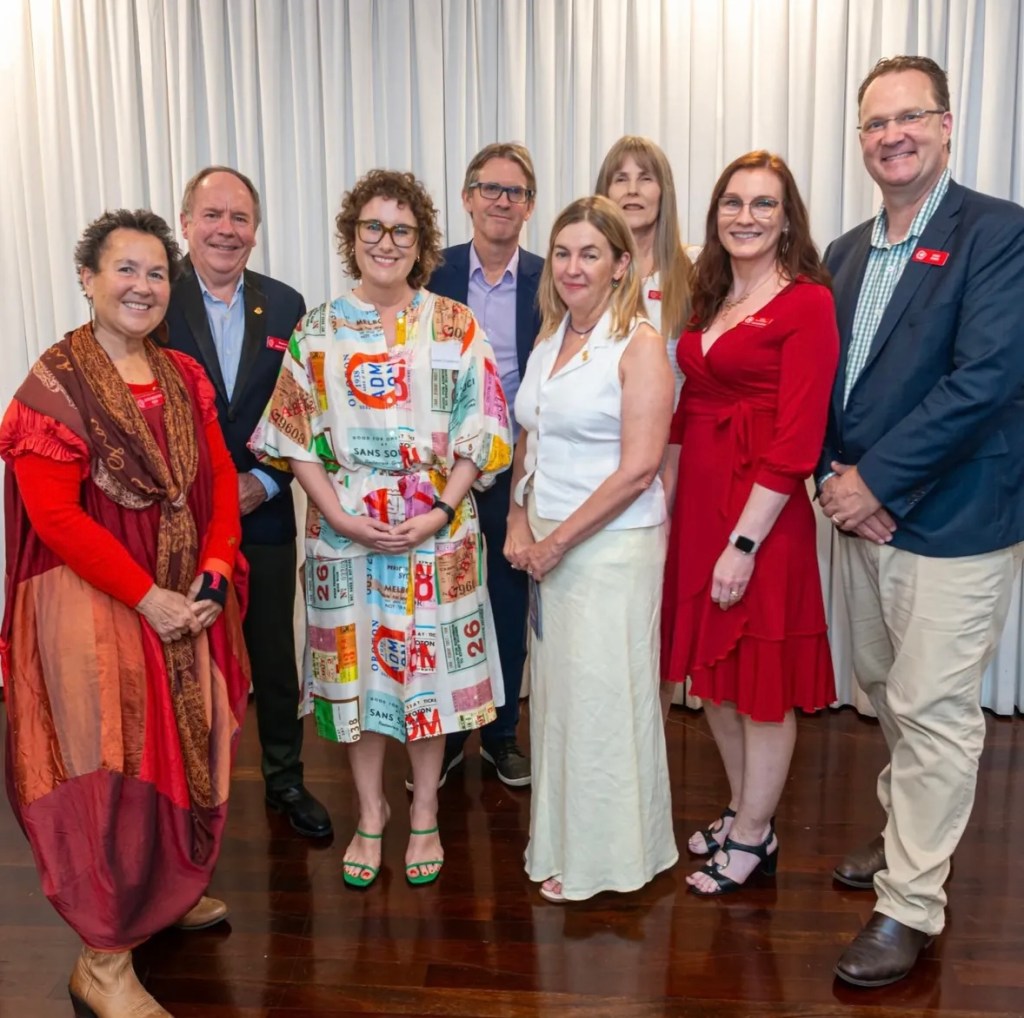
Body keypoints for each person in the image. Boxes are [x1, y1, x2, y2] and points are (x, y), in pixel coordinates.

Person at [0, 209, 249, 1017]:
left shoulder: (182, 374)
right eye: (125, 269)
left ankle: (163, 894)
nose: (142, 286)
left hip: (186, 597)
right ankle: (103, 960)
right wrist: (149, 598)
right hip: (93, 600)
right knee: (109, 768)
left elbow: (219, 477)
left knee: (184, 747)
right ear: (88, 278)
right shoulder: (53, 386)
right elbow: (55, 518)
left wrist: (214, 570)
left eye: (156, 273)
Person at [819, 56, 1024, 987]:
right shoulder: (844, 252)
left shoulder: (998, 232)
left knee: (935, 712)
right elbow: (827, 383)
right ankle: (909, 829)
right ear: (861, 140)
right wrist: (833, 478)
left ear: (945, 125)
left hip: (956, 520)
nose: (892, 135)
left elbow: (985, 381)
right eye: (875, 123)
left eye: (910, 117)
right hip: (858, 516)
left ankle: (909, 902)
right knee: (884, 689)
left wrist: (876, 483)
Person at [250, 169, 512, 889]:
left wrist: (439, 511)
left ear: (421, 243)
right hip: (343, 537)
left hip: (439, 533)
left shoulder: (456, 324)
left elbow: (484, 428)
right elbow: (293, 437)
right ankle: (372, 812)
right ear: (352, 237)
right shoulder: (317, 329)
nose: (386, 242)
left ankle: (424, 808)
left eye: (402, 229)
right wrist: (339, 517)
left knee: (427, 675)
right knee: (356, 678)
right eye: (373, 227)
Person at [659, 151, 839, 897]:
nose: (746, 216)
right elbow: (685, 412)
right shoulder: (709, 296)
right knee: (716, 680)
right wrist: (664, 507)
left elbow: (797, 442)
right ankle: (742, 810)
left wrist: (742, 543)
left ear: (787, 219)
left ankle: (757, 835)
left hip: (760, 521)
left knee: (761, 686)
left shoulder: (807, 303)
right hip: (700, 509)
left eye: (764, 204)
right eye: (732, 202)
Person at [506, 195, 677, 903]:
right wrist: (517, 519)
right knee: (561, 701)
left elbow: (639, 469)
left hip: (610, 548)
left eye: (591, 254)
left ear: (620, 265)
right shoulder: (552, 338)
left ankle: (611, 858)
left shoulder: (639, 345)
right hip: (548, 537)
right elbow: (530, 435)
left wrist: (555, 543)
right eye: (564, 252)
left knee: (605, 699)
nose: (574, 267)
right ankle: (563, 840)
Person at [165, 166, 332, 839]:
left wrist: (264, 481)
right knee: (180, 655)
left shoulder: (287, 305)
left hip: (263, 510)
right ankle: (181, 789)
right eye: (212, 215)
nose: (226, 230)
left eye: (240, 218)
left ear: (256, 231)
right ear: (186, 224)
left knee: (272, 652)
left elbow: (305, 412)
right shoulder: (154, 296)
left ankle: (285, 779)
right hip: (176, 519)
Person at [426, 142, 542, 789]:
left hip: (517, 470)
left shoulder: (549, 279)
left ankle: (501, 736)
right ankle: (444, 740)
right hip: (438, 474)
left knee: (506, 601)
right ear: (467, 197)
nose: (502, 201)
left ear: (529, 206)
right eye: (489, 189)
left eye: (514, 191)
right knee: (441, 604)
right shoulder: (430, 272)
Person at [595, 135, 693, 402]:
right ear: (605, 193)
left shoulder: (695, 269)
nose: (632, 190)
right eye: (621, 179)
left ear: (664, 192)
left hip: (674, 425)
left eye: (645, 178)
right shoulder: (584, 272)